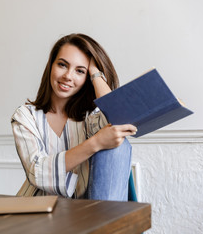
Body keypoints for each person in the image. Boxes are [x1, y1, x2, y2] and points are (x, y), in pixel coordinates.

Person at [11, 33, 137, 201]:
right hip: (36, 211)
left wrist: (95, 73)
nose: (68, 76)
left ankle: (108, 222)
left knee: (119, 144)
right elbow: (37, 171)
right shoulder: (25, 116)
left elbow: (119, 120)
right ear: (51, 66)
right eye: (62, 65)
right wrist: (96, 143)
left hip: (85, 214)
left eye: (80, 71)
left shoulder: (90, 118)